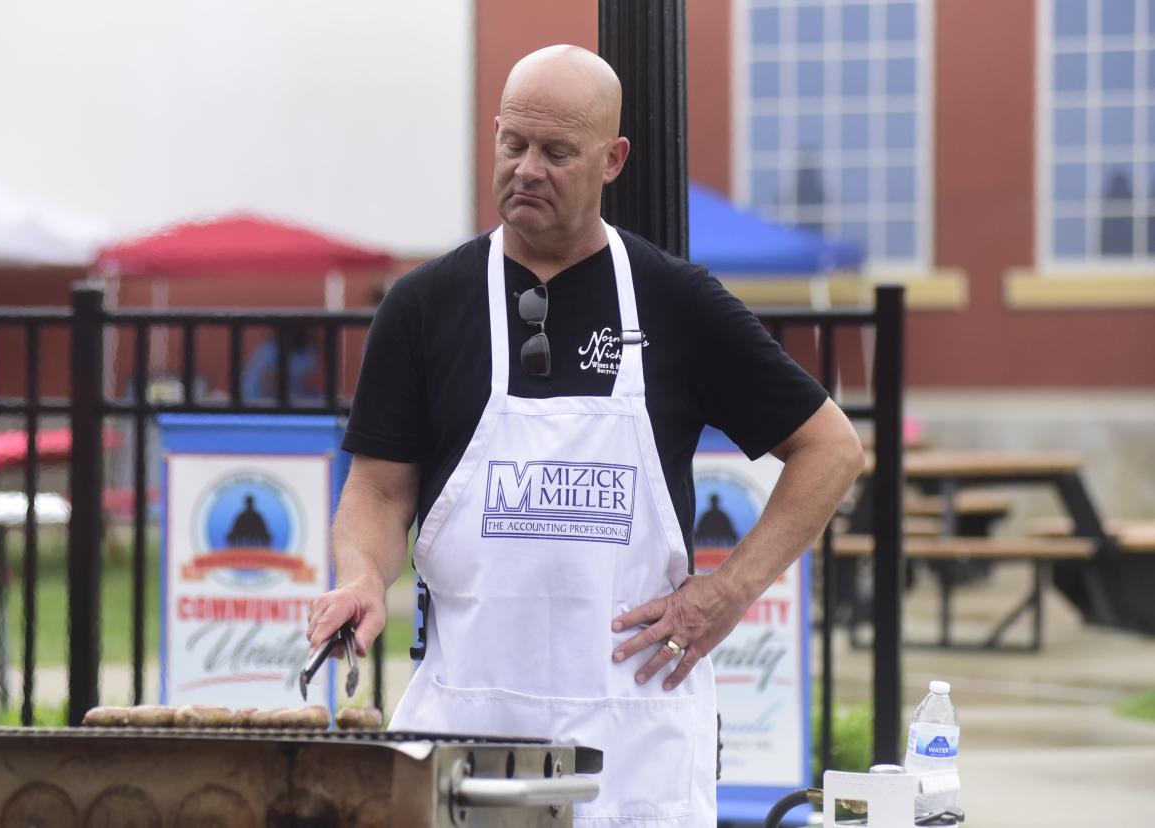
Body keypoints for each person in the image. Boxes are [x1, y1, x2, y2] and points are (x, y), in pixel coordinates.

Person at [306, 45, 864, 825]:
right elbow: (377, 487)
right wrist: (362, 576)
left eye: (558, 152)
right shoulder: (424, 305)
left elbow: (832, 448)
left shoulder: (678, 303)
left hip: (634, 738)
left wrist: (729, 592)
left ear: (613, 159)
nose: (528, 168)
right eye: (514, 144)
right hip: (469, 726)